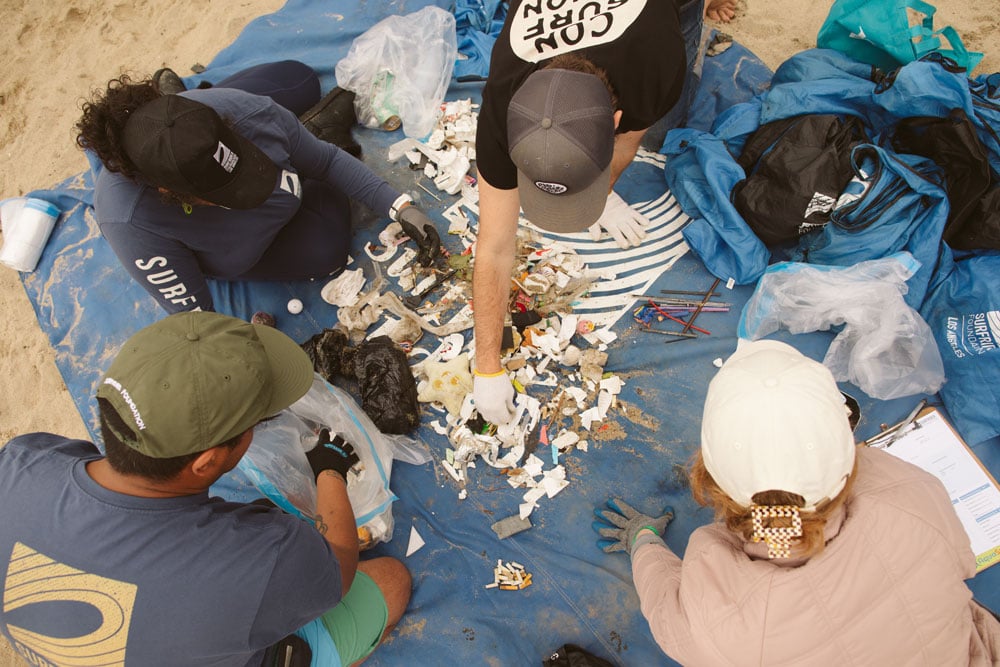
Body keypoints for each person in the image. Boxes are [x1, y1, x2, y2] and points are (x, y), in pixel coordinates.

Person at [0, 311, 411, 666]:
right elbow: (336, 570)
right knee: (391, 580)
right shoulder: (258, 557)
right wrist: (330, 471)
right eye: (253, 424)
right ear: (208, 462)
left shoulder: (20, 463)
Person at [592, 339, 1000, 664]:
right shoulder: (910, 492)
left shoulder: (723, 618)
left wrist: (643, 543)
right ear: (846, 453)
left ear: (708, 478)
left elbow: (671, 618)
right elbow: (959, 563)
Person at [471, 0, 704, 425]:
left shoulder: (656, 64)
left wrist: (601, 193)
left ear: (616, 119)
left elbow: (630, 141)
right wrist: (485, 366)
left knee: (668, 125)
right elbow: (494, 245)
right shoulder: (501, 106)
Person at [76, 60, 434, 314]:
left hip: (223, 110)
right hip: (245, 249)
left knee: (300, 79)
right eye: (226, 190)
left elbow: (325, 162)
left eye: (242, 164)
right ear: (172, 196)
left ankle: (301, 130)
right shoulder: (132, 222)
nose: (251, 186)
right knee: (326, 248)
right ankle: (315, 129)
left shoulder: (245, 112)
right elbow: (197, 320)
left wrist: (400, 206)